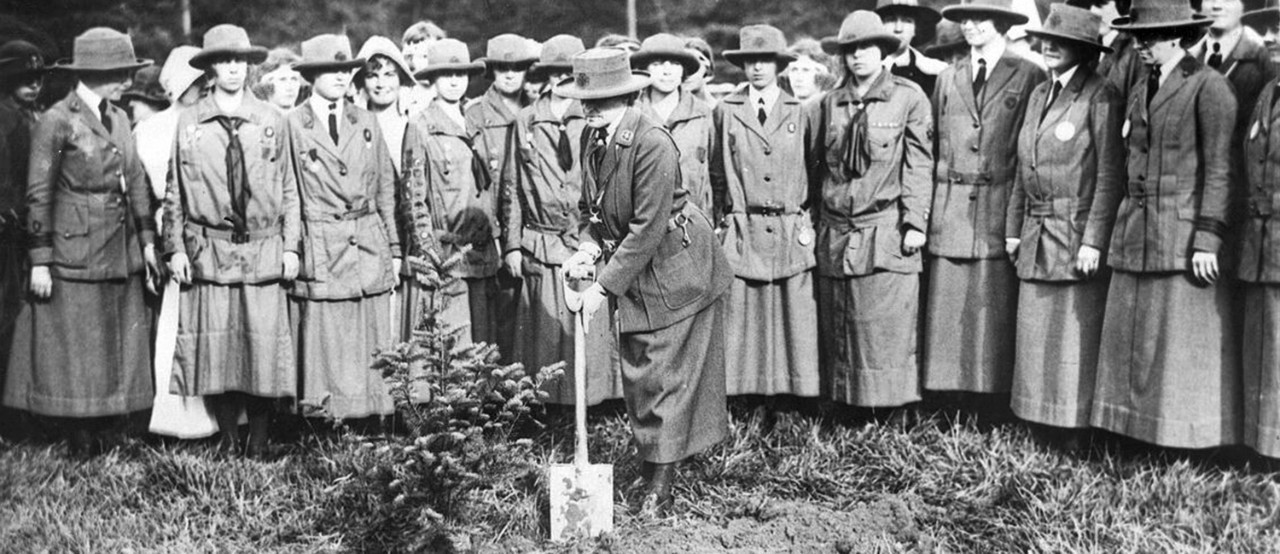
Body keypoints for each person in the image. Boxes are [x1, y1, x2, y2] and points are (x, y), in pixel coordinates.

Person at [558, 47, 732, 514]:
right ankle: (655, 461)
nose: (589, 109)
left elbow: (648, 226)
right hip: (638, 271)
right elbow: (590, 209)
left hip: (679, 270)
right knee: (641, 372)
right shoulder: (592, 139)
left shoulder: (652, 141)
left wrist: (600, 288)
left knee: (665, 375)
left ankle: (663, 480)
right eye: (584, 101)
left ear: (625, 96)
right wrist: (587, 247)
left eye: (600, 100)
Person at [1090, 0, 1241, 449]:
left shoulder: (1210, 87)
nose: (1140, 45)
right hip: (1135, 230)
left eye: (1150, 37)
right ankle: (1132, 432)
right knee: (1134, 340)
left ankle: (1180, 439)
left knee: (1175, 346)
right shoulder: (1141, 86)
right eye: (1136, 37)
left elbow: (1220, 169)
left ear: (1177, 36)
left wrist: (1208, 236)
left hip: (1180, 236)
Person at [4, 28, 159, 458]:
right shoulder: (57, 120)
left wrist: (147, 242)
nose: (127, 80)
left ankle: (108, 423)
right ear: (93, 72)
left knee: (111, 337)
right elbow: (39, 192)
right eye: (119, 71)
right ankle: (79, 433)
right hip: (74, 247)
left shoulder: (121, 117)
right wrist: (40, 259)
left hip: (118, 246)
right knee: (77, 342)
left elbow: (138, 184)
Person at [163, 25, 298, 456]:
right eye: (224, 61)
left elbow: (289, 188)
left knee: (260, 345)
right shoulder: (190, 122)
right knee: (217, 347)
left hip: (261, 248)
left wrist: (291, 246)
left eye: (240, 61)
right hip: (210, 250)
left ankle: (258, 443)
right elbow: (175, 190)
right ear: (210, 68)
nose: (234, 70)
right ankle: (227, 438)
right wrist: (176, 247)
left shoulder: (272, 120)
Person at [1004, 4, 1125, 442]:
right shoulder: (1040, 93)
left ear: (1085, 50)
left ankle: (1070, 432)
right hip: (1037, 235)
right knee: (1036, 338)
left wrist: (1094, 241)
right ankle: (1037, 424)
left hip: (1074, 235)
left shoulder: (1101, 95)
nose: (1049, 46)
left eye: (1063, 41)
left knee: (1071, 338)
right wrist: (1014, 230)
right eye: (1047, 39)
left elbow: (1110, 176)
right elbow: (1023, 167)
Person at [808, 12, 932, 410]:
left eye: (867, 47)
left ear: (883, 51)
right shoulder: (827, 103)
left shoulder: (908, 97)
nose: (858, 56)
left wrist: (915, 222)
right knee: (841, 318)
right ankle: (844, 402)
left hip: (886, 228)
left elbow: (919, 164)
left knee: (884, 324)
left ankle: (891, 407)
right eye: (850, 50)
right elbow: (814, 169)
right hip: (835, 230)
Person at [924, 0, 1045, 402]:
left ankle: (990, 397)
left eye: (981, 18)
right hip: (952, 203)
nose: (971, 26)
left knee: (991, 303)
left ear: (1002, 23)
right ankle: (947, 395)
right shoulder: (948, 77)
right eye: (965, 19)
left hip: (999, 200)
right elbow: (936, 144)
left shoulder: (1028, 73)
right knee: (949, 301)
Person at [500, 35, 622, 405]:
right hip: (542, 241)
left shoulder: (592, 118)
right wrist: (513, 244)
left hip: (585, 241)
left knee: (590, 329)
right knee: (545, 331)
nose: (560, 81)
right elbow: (513, 185)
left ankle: (593, 405)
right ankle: (548, 409)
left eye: (569, 73)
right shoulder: (526, 120)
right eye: (554, 73)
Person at [286, 34, 401, 422]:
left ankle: (372, 418)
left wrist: (395, 249)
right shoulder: (293, 124)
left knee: (369, 334)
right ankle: (325, 421)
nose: (339, 77)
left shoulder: (365, 120)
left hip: (367, 242)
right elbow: (289, 194)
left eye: (344, 70)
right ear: (310, 75)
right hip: (321, 243)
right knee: (327, 337)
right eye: (329, 70)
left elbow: (386, 189)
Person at [710, 24, 820, 402]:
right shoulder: (725, 111)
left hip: (789, 225)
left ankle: (790, 398)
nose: (757, 68)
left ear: (779, 65)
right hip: (743, 225)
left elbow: (814, 167)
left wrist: (807, 218)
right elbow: (715, 173)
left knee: (791, 313)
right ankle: (746, 397)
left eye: (766, 60)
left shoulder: (800, 110)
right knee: (745, 314)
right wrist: (722, 220)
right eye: (750, 61)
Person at [400, 38, 492, 343]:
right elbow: (413, 199)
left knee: (480, 348)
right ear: (433, 79)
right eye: (446, 75)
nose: (454, 81)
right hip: (446, 256)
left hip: (479, 255)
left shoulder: (475, 121)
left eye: (461, 75)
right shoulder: (422, 125)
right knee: (450, 347)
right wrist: (431, 252)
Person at [464, 33, 534, 358]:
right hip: (493, 230)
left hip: (531, 226)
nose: (509, 74)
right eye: (502, 67)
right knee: (497, 317)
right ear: (491, 71)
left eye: (517, 67)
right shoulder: (475, 114)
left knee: (531, 313)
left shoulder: (536, 111)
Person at [1240, 0, 1280, 459]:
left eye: (1277, 28)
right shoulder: (1269, 91)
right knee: (1265, 348)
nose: (1269, 38)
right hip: (1261, 247)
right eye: (1266, 29)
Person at [0, 39, 46, 439]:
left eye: (38, 78)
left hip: (31, 232)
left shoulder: (38, 117)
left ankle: (25, 412)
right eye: (24, 78)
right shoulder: (3, 119)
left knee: (27, 319)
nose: (33, 85)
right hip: (8, 235)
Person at [632, 33, 715, 215]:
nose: (667, 71)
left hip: (693, 222)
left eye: (675, 64)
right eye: (657, 64)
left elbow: (717, 175)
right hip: (643, 222)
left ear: (684, 70)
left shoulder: (703, 113)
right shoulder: (633, 115)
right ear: (645, 69)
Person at [876, 0, 950, 96]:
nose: (898, 29)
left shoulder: (937, 72)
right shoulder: (862, 69)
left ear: (915, 29)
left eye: (907, 21)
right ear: (879, 27)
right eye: (891, 20)